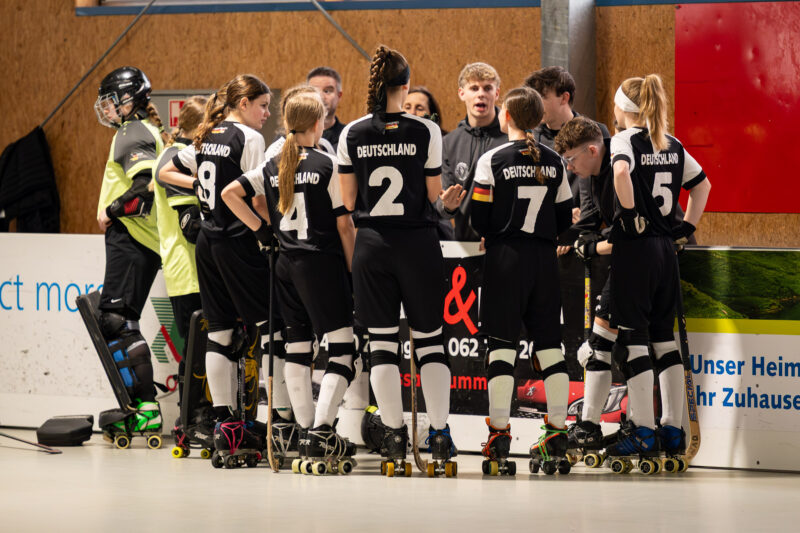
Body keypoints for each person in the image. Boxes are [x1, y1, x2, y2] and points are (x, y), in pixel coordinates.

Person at [338, 45, 465, 475]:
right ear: (406, 86)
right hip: (418, 245)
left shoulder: (352, 133)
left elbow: (349, 201)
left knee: (382, 345)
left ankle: (394, 437)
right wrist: (446, 204)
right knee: (430, 342)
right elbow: (433, 197)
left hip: (372, 245)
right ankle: (440, 436)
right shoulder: (426, 130)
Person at [222, 88, 358, 473]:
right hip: (320, 265)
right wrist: (354, 272)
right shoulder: (327, 164)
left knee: (297, 349)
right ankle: (322, 431)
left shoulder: (273, 163)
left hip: (284, 265)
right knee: (343, 350)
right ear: (317, 122)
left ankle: (305, 431)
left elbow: (230, 193)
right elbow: (344, 226)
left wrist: (261, 231)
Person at [158, 74, 272, 465]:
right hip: (239, 240)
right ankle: (281, 421)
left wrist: (197, 185)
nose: (267, 114)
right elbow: (256, 198)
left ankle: (226, 423)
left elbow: (164, 172)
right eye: (263, 106)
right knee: (271, 327)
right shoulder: (250, 139)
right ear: (244, 103)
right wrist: (267, 232)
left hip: (207, 242)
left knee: (219, 333)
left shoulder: (207, 136)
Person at [603, 74, 711, 467]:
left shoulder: (624, 140)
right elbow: (702, 186)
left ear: (622, 108)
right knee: (665, 340)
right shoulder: (673, 142)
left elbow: (620, 174)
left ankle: (643, 431)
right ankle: (672, 429)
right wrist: (685, 228)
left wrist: (631, 215)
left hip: (637, 249)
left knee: (633, 339)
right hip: (667, 249)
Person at [471, 86, 573, 475]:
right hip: (544, 262)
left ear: (508, 116)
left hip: (505, 261)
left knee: (501, 348)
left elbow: (479, 218)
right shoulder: (555, 160)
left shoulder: (492, 159)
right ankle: (557, 434)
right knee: (550, 348)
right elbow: (564, 218)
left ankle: (499, 436)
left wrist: (496, 232)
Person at [94, 66, 166, 437]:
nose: (106, 108)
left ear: (127, 98)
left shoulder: (132, 131)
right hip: (137, 241)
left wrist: (109, 211)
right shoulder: (141, 129)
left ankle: (146, 408)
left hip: (132, 238)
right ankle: (144, 406)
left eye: (110, 100)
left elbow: (142, 191)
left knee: (116, 321)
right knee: (123, 321)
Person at [552, 116, 619, 456]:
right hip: (634, 260)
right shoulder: (593, 174)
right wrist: (562, 237)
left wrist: (593, 247)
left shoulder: (620, 165)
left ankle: (591, 426)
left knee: (599, 347)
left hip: (639, 261)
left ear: (592, 150)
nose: (569, 168)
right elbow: (592, 222)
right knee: (628, 347)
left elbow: (626, 233)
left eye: (571, 160)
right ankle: (641, 428)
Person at [152, 95, 210, 448]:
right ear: (200, 127)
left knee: (204, 347)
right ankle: (190, 420)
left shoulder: (183, 155)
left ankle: (198, 416)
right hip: (187, 267)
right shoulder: (175, 158)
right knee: (196, 349)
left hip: (193, 267)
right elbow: (192, 225)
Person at [524, 66, 610, 224]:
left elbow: (604, 190)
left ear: (564, 98)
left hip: (580, 227)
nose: (534, 105)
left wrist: (584, 218)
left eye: (541, 98)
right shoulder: (530, 137)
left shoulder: (596, 133)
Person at [441, 62, 507, 241]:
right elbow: (443, 207)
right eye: (474, 88)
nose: (481, 94)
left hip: (505, 243)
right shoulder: (448, 143)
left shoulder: (512, 137)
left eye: (487, 88)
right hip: (465, 244)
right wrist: (448, 206)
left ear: (497, 93)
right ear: (461, 93)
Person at [404, 86, 452, 239]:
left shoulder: (445, 144)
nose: (412, 113)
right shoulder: (390, 145)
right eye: (407, 107)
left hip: (437, 226)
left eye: (419, 108)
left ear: (432, 115)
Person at [307, 66, 346, 150]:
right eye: (314, 91)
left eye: (327, 91)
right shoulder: (290, 136)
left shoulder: (348, 136)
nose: (321, 97)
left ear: (339, 95)